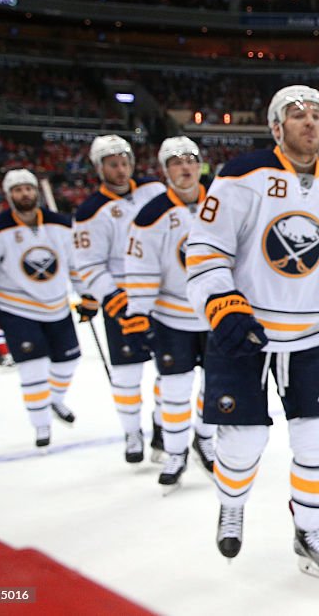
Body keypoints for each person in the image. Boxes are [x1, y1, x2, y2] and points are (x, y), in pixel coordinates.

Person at [186, 85, 319, 581]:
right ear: (276, 127)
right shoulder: (240, 176)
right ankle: (232, 505)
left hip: (309, 338)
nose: (309, 121)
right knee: (240, 443)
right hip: (244, 335)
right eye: (296, 114)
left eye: (317, 114)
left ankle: (309, 529)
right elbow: (206, 249)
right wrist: (221, 306)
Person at [0, 169, 82, 448]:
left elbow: (75, 264)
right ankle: (41, 427)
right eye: (18, 190)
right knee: (34, 368)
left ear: (36, 192)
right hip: (17, 307)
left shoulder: (61, 224)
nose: (24, 194)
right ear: (9, 195)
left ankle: (55, 400)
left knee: (69, 360)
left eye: (28, 188)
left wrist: (87, 295)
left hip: (57, 305)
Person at [124, 137, 216, 490]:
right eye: (176, 162)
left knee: (214, 384)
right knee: (175, 388)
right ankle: (176, 451)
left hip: (216, 314)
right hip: (171, 318)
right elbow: (140, 266)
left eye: (191, 160)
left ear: (200, 165)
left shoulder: (224, 201)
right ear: (166, 170)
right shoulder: (151, 215)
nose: (185, 167)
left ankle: (204, 439)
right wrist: (139, 311)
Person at [73, 135, 164, 463]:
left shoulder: (154, 190)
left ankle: (161, 427)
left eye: (125, 162)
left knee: (171, 370)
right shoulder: (90, 212)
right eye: (113, 164)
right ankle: (131, 432)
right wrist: (111, 297)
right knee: (127, 375)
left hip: (162, 297)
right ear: (100, 168)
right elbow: (88, 264)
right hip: (123, 299)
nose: (121, 169)